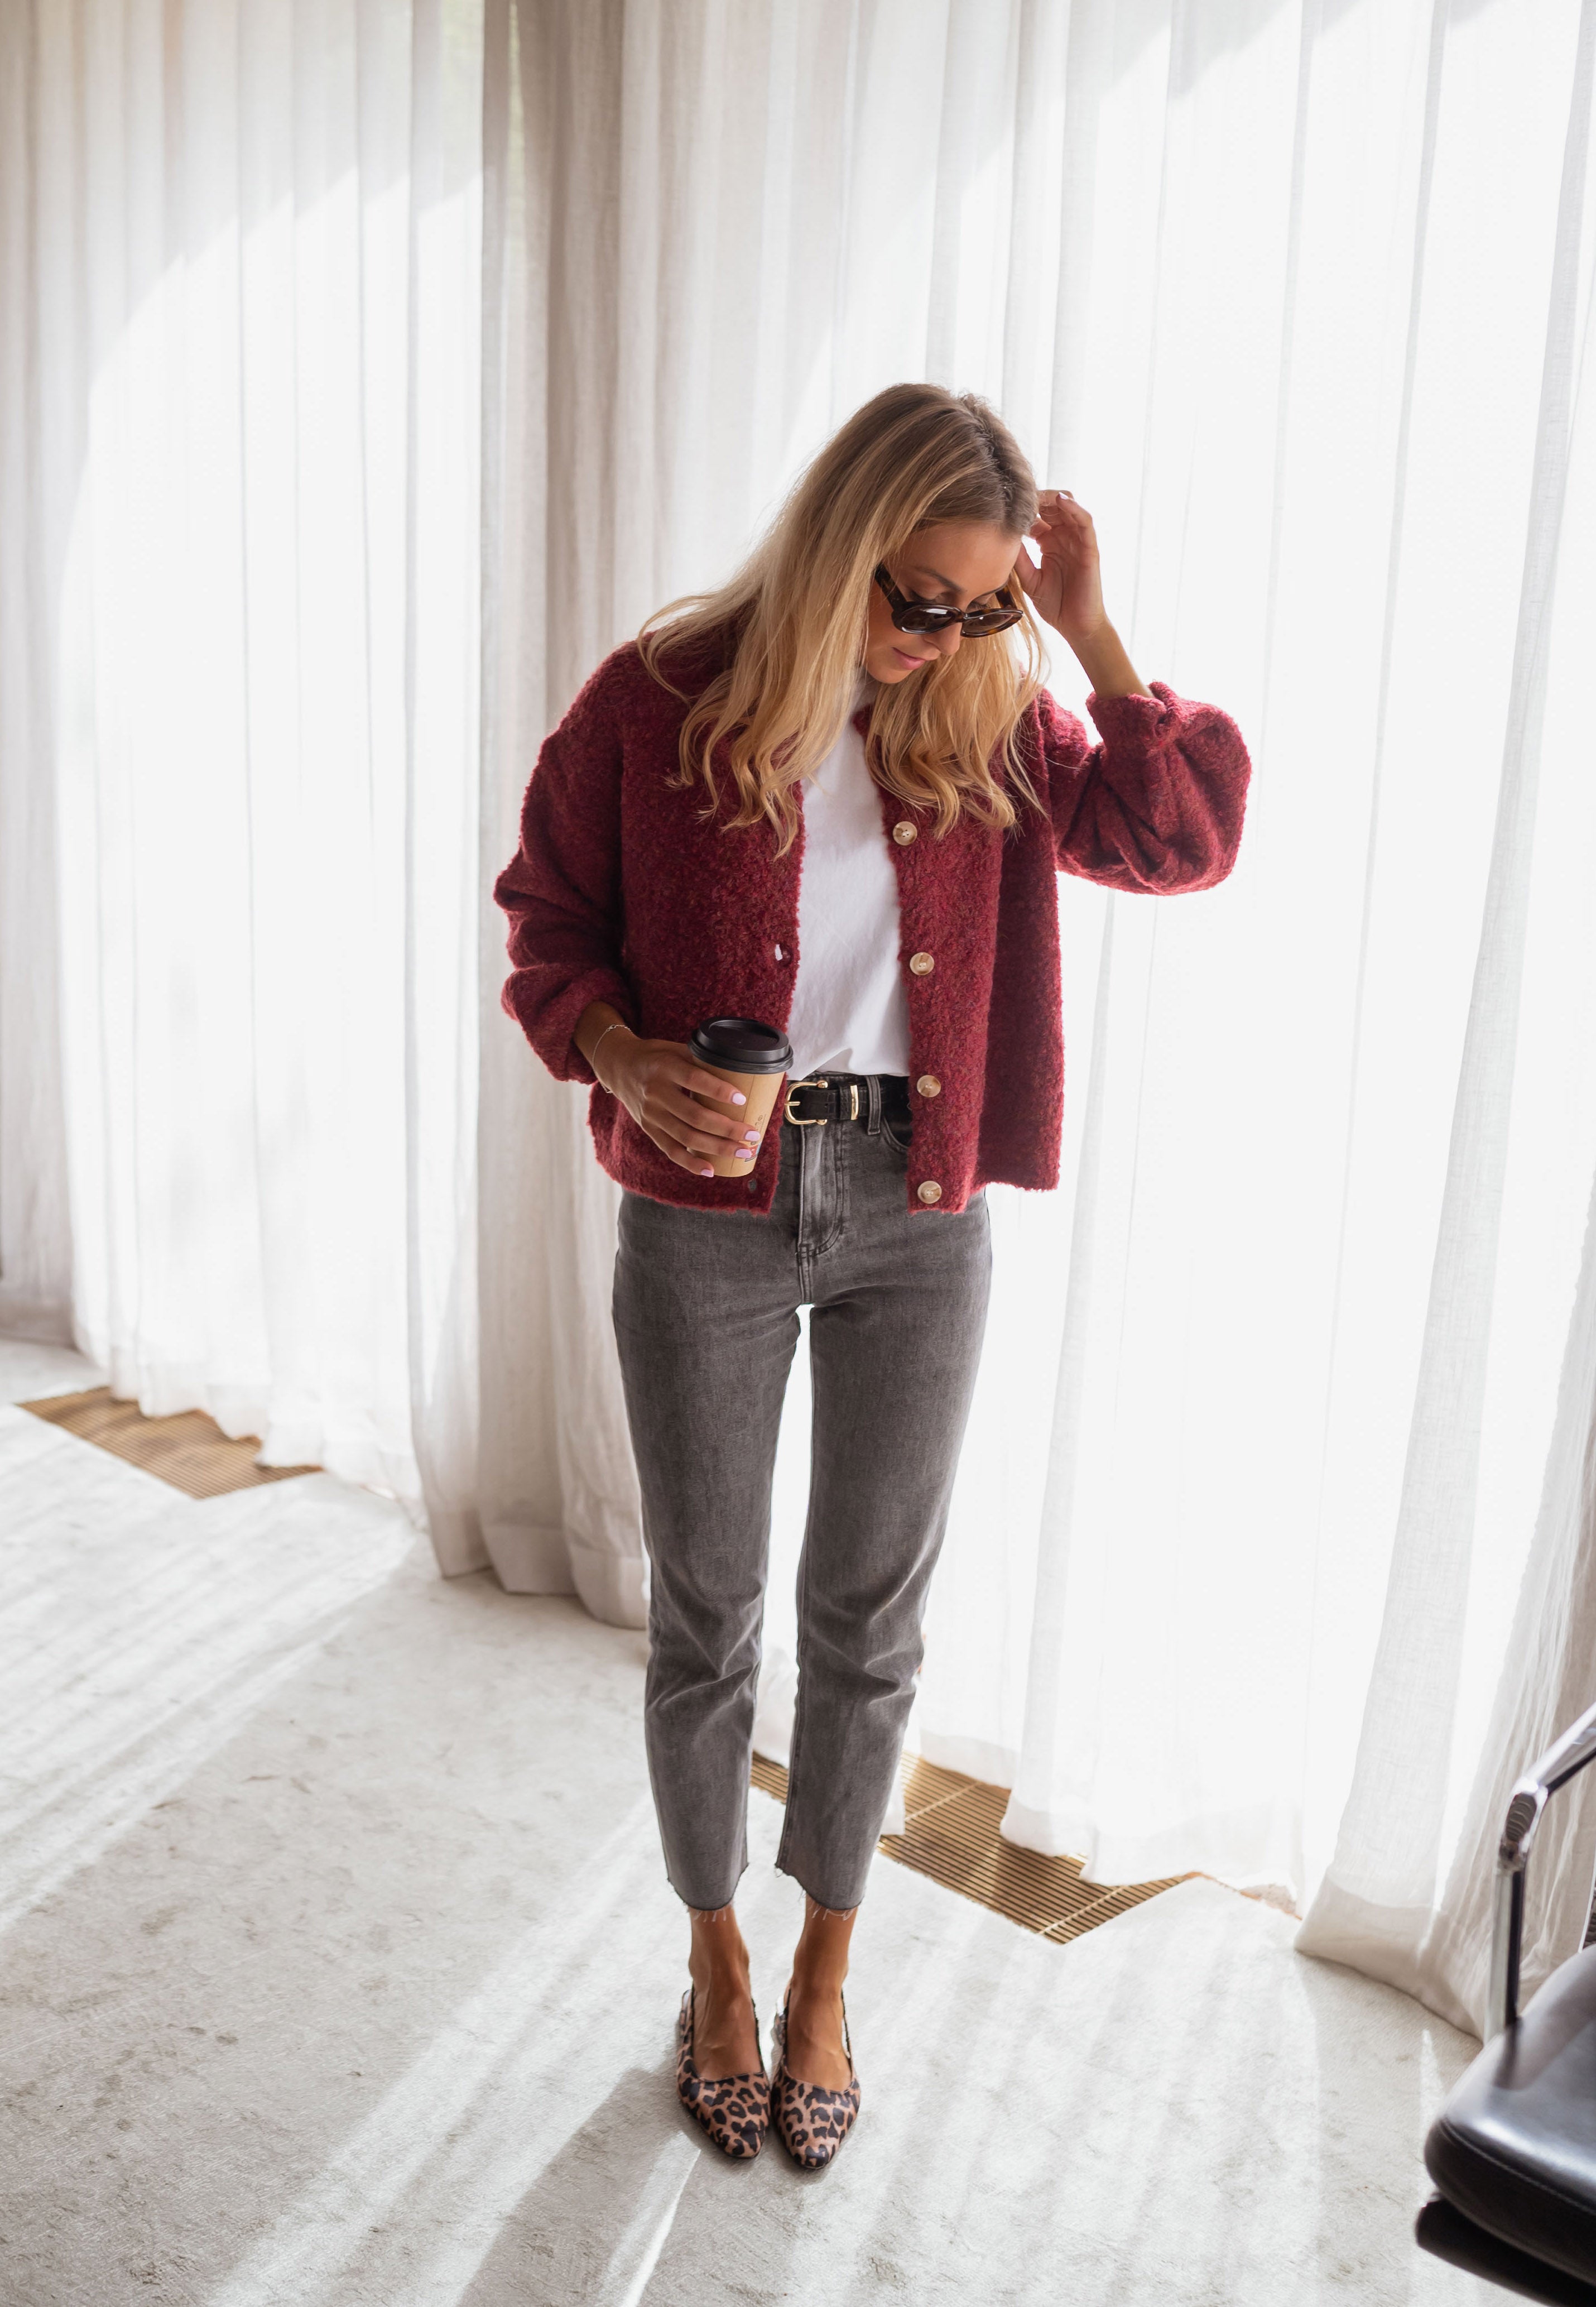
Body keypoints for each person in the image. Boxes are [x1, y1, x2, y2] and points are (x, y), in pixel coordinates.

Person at [494, 382, 1251, 2169]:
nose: (939, 635)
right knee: (709, 1618)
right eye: (919, 594)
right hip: (707, 1203)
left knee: (869, 1626)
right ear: (842, 541)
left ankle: (828, 1969)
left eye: (978, 603)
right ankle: (714, 1962)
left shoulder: (994, 716)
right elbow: (545, 916)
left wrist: (1084, 634)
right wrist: (614, 1057)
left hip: (919, 1207)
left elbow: (1178, 841)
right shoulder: (657, 697)